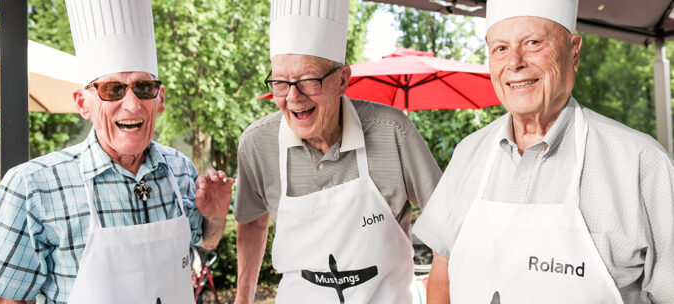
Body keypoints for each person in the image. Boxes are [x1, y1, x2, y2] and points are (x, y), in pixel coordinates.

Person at [412, 0, 674, 303]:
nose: (515, 62)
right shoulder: (468, 153)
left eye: (533, 43)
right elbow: (442, 273)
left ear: (574, 52)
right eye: (500, 49)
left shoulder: (642, 163)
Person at [0, 1, 234, 303]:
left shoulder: (180, 168)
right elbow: (10, 299)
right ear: (83, 103)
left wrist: (215, 217)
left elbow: (206, 242)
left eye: (144, 88)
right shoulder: (31, 186)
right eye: (112, 89)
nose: (133, 104)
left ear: (160, 99)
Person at [233, 1, 442, 303]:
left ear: (343, 79)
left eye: (308, 80)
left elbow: (447, 228)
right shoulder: (257, 143)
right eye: (280, 83)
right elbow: (252, 220)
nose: (293, 98)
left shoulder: (392, 131)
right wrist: (243, 300)